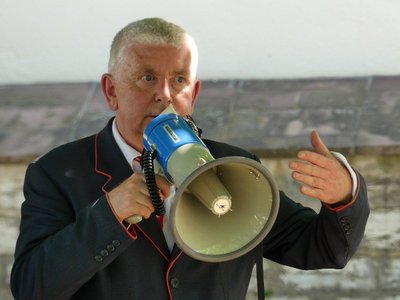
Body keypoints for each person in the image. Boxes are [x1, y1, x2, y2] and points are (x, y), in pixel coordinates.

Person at [10, 17, 369, 300]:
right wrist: (109, 215)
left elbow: (323, 249)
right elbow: (32, 288)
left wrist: (344, 195)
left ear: (193, 94)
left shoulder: (235, 165)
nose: (164, 94)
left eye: (179, 80)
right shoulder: (57, 173)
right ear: (111, 91)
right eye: (146, 77)